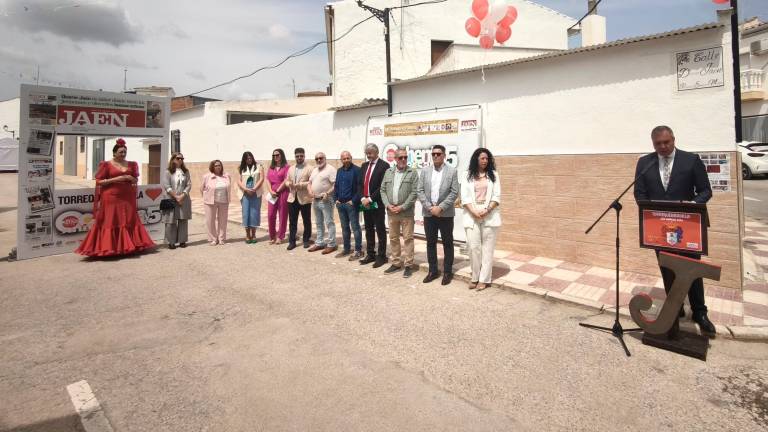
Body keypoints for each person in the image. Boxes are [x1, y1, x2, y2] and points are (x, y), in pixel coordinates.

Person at [634, 125, 716, 336]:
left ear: (673, 139)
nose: (663, 146)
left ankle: (700, 312)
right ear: (653, 144)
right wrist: (654, 211)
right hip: (659, 229)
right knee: (667, 268)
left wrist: (690, 204)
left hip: (687, 228)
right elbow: (639, 193)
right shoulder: (645, 163)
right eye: (658, 143)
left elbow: (706, 190)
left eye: (666, 142)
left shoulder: (691, 160)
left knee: (692, 269)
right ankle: (675, 308)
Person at [75, 139, 155, 257]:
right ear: (114, 153)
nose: (123, 154)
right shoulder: (106, 165)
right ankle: (109, 248)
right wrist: (116, 179)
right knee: (111, 221)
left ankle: (129, 246)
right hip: (111, 197)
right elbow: (99, 181)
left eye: (124, 152)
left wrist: (130, 178)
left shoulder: (132, 164)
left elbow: (136, 180)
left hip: (127, 197)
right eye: (121, 152)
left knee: (127, 220)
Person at [417, 144, 459, 285]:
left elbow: (454, 192)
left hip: (445, 214)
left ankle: (447, 272)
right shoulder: (425, 171)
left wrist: (440, 208)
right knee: (430, 243)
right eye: (433, 154)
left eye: (439, 154)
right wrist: (430, 207)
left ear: (444, 156)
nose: (435, 156)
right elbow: (420, 190)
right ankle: (433, 271)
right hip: (429, 214)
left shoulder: (452, 171)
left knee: (448, 243)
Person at [461, 148, 501, 290]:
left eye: (487, 158)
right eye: (482, 158)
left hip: (489, 214)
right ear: (476, 159)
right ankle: (475, 277)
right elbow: (464, 197)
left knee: (487, 249)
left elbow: (497, 196)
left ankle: (484, 279)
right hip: (472, 214)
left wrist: (486, 210)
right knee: (473, 248)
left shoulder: (494, 175)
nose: (485, 161)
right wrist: (473, 212)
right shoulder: (467, 175)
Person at [381, 148, 419, 278]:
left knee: (408, 239)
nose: (403, 160)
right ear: (395, 159)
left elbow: (414, 192)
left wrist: (402, 207)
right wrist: (387, 205)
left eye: (405, 157)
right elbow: (382, 190)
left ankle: (408, 265)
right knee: (393, 238)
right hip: (391, 212)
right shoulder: (388, 172)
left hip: (406, 212)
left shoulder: (412, 172)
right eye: (400, 157)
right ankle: (396, 262)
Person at [359, 143, 389, 268]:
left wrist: (370, 199)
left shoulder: (384, 165)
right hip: (365, 202)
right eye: (367, 153)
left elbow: (382, 186)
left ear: (376, 152)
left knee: (380, 229)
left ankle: (382, 256)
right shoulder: (364, 165)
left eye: (370, 153)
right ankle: (370, 254)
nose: (369, 156)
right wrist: (362, 198)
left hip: (377, 202)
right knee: (369, 228)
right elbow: (360, 183)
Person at [334, 151, 363, 259]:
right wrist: (335, 199)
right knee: (344, 228)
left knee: (355, 227)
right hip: (340, 204)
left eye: (348, 158)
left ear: (351, 158)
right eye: (344, 158)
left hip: (351, 205)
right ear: (341, 160)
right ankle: (346, 249)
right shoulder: (339, 171)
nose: (346, 160)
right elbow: (336, 186)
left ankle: (358, 250)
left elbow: (360, 187)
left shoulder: (357, 170)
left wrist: (354, 200)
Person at [307, 152, 337, 254]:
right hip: (315, 200)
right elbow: (309, 182)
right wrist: (310, 191)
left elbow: (335, 184)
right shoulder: (315, 170)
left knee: (329, 222)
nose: (319, 160)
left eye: (321, 158)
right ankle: (319, 242)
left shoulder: (330, 169)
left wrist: (327, 193)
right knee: (318, 222)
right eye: (317, 159)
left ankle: (332, 244)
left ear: (325, 158)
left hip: (326, 200)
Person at [161, 152, 192, 249]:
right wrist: (176, 197)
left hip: (184, 199)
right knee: (171, 221)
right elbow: (167, 186)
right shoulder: (168, 172)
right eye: (178, 158)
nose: (181, 160)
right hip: (171, 199)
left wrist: (182, 195)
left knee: (183, 220)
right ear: (173, 159)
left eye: (182, 158)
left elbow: (188, 184)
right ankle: (171, 242)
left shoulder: (186, 171)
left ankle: (182, 241)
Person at [285, 147, 312, 250]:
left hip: (304, 198)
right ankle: (292, 241)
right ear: (295, 156)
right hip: (292, 198)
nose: (299, 158)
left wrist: (300, 185)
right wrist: (289, 184)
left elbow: (311, 182)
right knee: (292, 221)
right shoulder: (291, 168)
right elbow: (286, 180)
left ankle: (306, 240)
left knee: (306, 220)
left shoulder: (310, 168)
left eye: (301, 156)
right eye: (297, 156)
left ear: (304, 156)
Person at [200, 159, 231, 246]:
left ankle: (221, 238)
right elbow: (201, 188)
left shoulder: (227, 176)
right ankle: (213, 239)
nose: (218, 167)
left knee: (223, 221)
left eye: (219, 165)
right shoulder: (207, 177)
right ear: (212, 167)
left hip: (224, 201)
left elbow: (228, 187)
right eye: (216, 165)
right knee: (210, 221)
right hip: (210, 202)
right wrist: (206, 197)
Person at [236, 151, 263, 244]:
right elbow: (239, 181)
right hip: (245, 194)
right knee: (246, 213)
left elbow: (261, 178)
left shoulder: (259, 166)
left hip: (256, 193)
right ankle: (247, 235)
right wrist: (246, 189)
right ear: (244, 159)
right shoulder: (241, 168)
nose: (249, 160)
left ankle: (254, 234)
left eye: (250, 158)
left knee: (254, 213)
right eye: (247, 158)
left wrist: (254, 189)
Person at [266, 148, 290, 244]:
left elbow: (286, 179)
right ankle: (272, 236)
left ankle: (280, 236)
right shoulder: (271, 167)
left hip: (283, 192)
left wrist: (279, 189)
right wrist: (271, 191)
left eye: (277, 155)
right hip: (272, 193)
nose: (275, 157)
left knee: (283, 215)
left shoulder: (287, 167)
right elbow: (267, 180)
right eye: (274, 155)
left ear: (281, 155)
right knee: (270, 215)